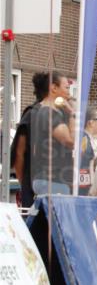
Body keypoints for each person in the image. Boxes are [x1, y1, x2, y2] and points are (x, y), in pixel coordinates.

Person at [30, 71, 76, 195]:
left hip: (49, 180)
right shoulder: (49, 113)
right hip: (53, 181)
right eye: (67, 87)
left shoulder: (47, 112)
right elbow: (71, 141)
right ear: (54, 88)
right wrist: (73, 114)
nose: (69, 92)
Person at [11, 71, 50, 206]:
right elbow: (19, 153)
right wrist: (25, 185)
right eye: (65, 87)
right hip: (34, 187)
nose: (68, 93)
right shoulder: (32, 114)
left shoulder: (59, 117)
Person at [78, 107, 97, 196]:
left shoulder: (88, 138)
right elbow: (83, 162)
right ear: (91, 122)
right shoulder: (84, 138)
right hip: (82, 187)